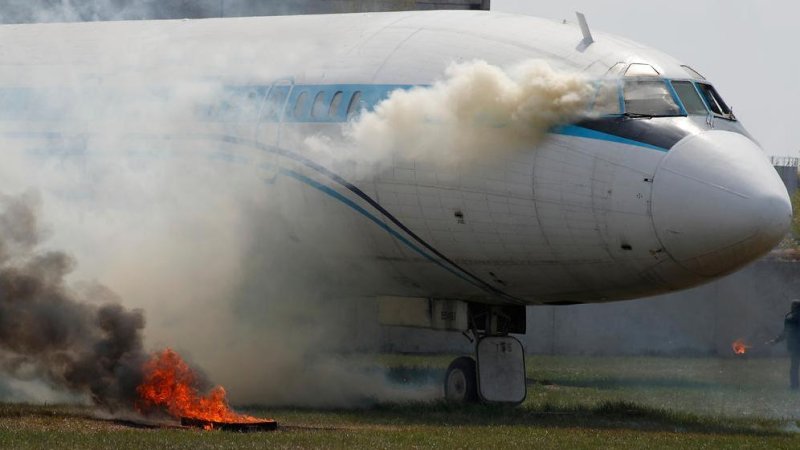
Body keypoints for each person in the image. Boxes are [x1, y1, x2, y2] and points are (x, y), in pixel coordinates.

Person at [769, 300, 800, 390]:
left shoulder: (790, 318)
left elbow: (786, 333)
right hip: (795, 346)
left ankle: (794, 385)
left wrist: (775, 341)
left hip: (794, 346)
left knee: (794, 366)